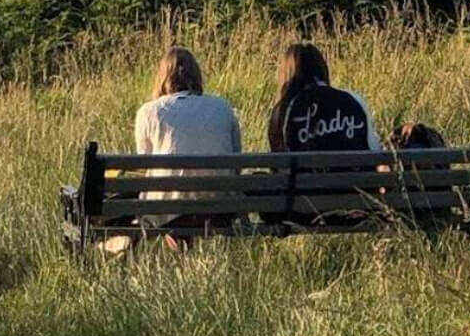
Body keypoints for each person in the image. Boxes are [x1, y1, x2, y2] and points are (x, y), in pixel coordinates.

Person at [132, 46, 242, 241]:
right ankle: (187, 256)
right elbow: (236, 160)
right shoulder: (222, 107)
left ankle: (182, 255)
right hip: (220, 206)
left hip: (168, 208)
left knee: (167, 195)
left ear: (163, 77)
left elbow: (145, 164)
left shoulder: (149, 112)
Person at [266, 42, 381, 153]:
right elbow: (374, 151)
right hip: (354, 173)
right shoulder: (354, 100)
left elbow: (278, 161)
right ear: (322, 69)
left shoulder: (281, 111)